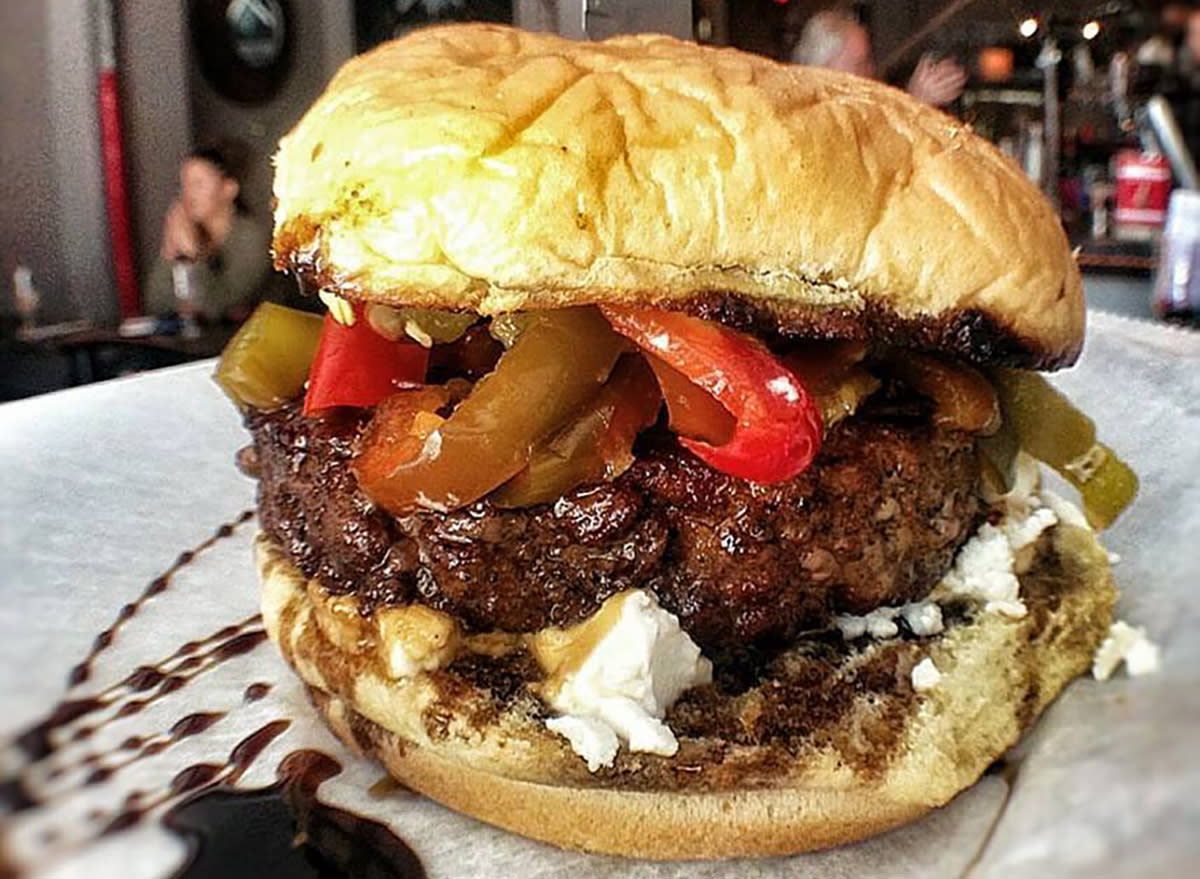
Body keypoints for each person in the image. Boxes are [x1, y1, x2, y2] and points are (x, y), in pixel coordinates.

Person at [146, 147, 271, 323]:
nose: (188, 195)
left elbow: (215, 307)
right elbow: (157, 303)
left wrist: (192, 254)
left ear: (229, 188)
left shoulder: (252, 238)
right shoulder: (188, 230)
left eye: (198, 184)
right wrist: (170, 251)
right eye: (184, 185)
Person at [790, 9, 967, 108]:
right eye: (860, 63)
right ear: (823, 67)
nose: (870, 71)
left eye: (869, 61)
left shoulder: (870, 106)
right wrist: (915, 103)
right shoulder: (807, 116)